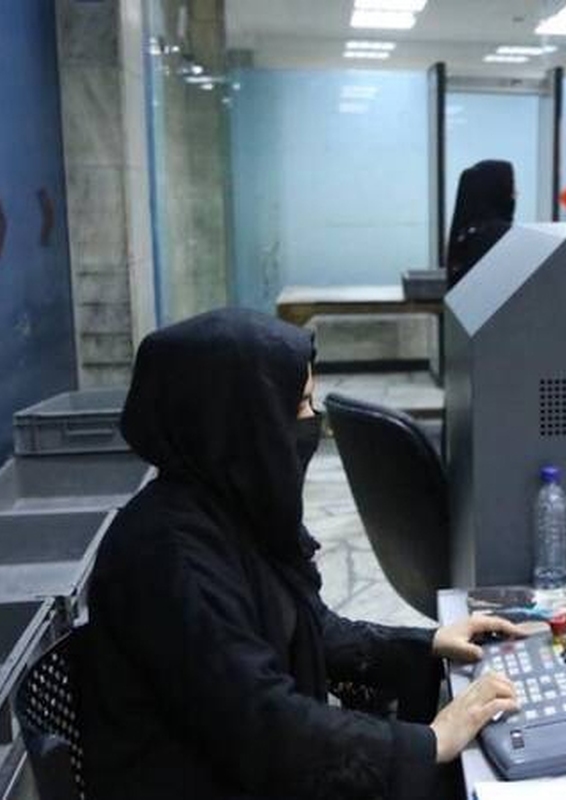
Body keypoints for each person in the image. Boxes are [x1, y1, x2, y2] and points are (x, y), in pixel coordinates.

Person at [80, 307, 522, 800]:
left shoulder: (224, 508)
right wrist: (431, 741)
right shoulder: (170, 559)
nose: (315, 423)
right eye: (298, 406)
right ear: (239, 422)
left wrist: (429, 643)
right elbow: (267, 727)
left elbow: (308, 627)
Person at [446, 159, 515, 288]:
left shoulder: (468, 233)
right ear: (497, 192)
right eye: (511, 190)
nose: (515, 196)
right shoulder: (502, 237)